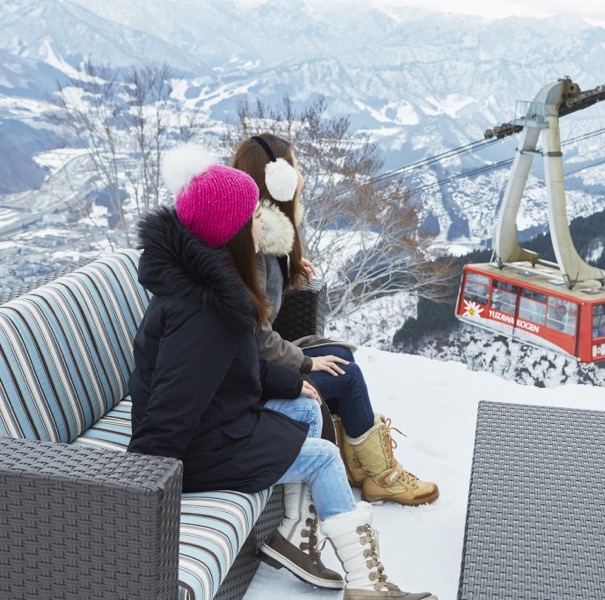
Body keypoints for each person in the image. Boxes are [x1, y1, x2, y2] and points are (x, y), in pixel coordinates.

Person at [127, 144, 435, 600]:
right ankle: (366, 584)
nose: (262, 223)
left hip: (214, 422)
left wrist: (294, 381)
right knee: (324, 457)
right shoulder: (205, 311)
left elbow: (233, 369)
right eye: (253, 217)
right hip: (193, 450)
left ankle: (292, 535)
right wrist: (144, 493)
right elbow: (171, 408)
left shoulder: (211, 287)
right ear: (231, 231)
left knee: (308, 411)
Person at [230, 134, 439, 514]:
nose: (301, 177)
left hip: (255, 360)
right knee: (345, 374)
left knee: (342, 356)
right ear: (277, 178)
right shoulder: (251, 245)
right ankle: (380, 475)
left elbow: (263, 305)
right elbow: (255, 333)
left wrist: (291, 269)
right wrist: (305, 363)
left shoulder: (263, 235)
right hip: (250, 374)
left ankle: (364, 468)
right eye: (295, 167)